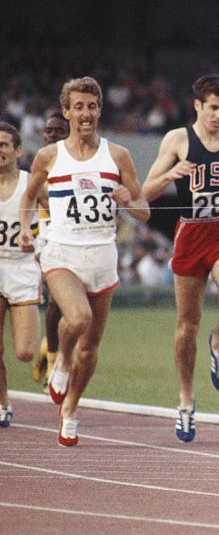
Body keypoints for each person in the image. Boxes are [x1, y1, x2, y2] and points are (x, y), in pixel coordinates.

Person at [18, 76, 151, 446]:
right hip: (61, 251)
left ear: (100, 110)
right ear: (66, 112)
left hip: (102, 254)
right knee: (78, 317)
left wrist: (128, 201)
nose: (85, 113)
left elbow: (143, 211)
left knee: (91, 347)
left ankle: (71, 409)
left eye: (91, 106)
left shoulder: (117, 155)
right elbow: (29, 197)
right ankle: (60, 362)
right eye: (78, 107)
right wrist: (27, 229)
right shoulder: (49, 156)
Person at [142, 75, 219, 443]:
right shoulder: (178, 140)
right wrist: (170, 173)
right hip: (192, 234)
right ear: (197, 105)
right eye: (213, 107)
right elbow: (144, 192)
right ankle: (185, 400)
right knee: (187, 325)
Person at [0, 123, 43, 428]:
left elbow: (58, 217)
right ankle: (3, 403)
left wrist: (37, 237)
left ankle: (47, 351)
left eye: (4, 144)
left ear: (17, 150)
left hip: (23, 267)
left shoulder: (33, 184)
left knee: (25, 352)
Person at [31, 113, 70, 384]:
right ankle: (53, 365)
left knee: (72, 310)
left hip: (72, 238)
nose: (52, 134)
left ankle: (49, 347)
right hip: (42, 241)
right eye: (49, 130)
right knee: (56, 302)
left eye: (58, 130)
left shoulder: (74, 164)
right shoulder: (36, 166)